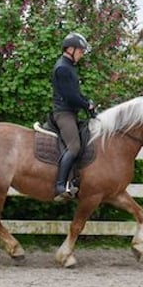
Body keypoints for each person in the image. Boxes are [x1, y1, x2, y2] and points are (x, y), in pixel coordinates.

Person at [51, 32, 97, 202]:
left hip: (70, 112)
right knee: (75, 146)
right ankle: (60, 186)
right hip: (64, 113)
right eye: (81, 51)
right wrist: (86, 105)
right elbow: (71, 97)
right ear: (70, 49)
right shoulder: (63, 68)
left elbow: (76, 94)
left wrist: (87, 102)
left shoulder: (69, 67)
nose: (82, 54)